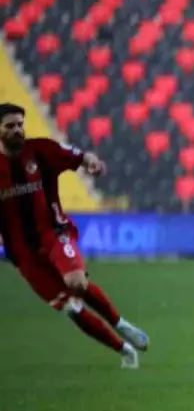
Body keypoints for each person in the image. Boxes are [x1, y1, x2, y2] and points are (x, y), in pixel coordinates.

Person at [0, 103, 149, 368]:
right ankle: (124, 350)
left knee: (76, 282)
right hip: (22, 252)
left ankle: (120, 324)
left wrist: (92, 163)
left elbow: (80, 157)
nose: (17, 130)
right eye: (10, 126)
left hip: (53, 232)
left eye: (20, 124)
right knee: (72, 308)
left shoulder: (41, 150)